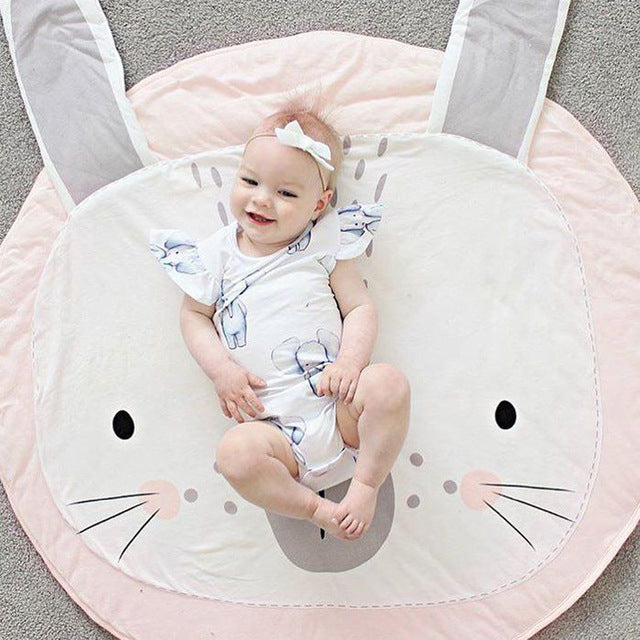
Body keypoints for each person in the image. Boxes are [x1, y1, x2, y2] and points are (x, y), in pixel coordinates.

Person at [149, 100, 410, 541]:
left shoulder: (325, 243)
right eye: (250, 181)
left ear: (319, 204)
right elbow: (194, 316)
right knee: (234, 456)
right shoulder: (216, 256)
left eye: (286, 194)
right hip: (272, 433)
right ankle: (314, 508)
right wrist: (222, 372)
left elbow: (359, 308)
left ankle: (366, 484)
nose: (262, 199)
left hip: (340, 411)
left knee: (388, 384)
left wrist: (350, 363)